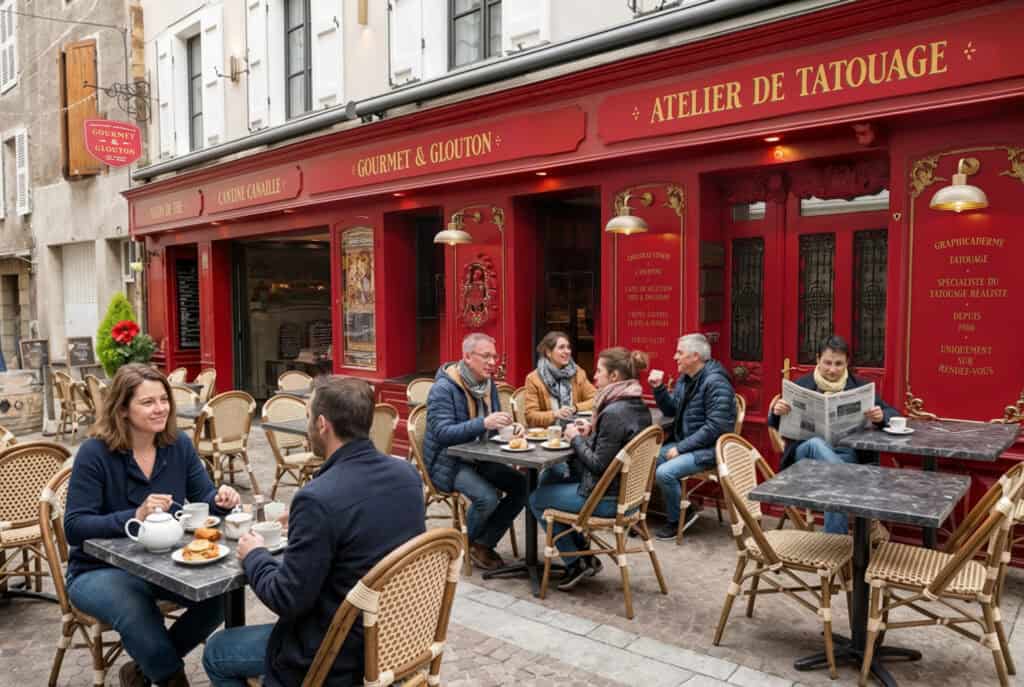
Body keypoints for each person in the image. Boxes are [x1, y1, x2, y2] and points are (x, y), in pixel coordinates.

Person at [202, 377, 425, 686]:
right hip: (396, 638)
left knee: (216, 651)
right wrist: (306, 523)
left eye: (308, 417)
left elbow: (286, 598)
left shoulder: (318, 498)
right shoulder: (407, 475)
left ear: (322, 425)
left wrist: (254, 555)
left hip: (336, 653)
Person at [64, 363, 241, 687]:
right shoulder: (95, 453)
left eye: (164, 399)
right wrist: (135, 515)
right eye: (147, 402)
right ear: (122, 409)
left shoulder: (177, 445)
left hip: (164, 564)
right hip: (96, 570)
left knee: (220, 596)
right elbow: (74, 527)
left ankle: (142, 671)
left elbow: (204, 497)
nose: (160, 408)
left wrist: (222, 500)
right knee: (135, 607)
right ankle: (172, 678)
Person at [528, 347, 653, 590]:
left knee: (536, 498)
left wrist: (575, 437)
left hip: (606, 499)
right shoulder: (637, 405)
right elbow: (615, 445)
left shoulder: (613, 412)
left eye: (599, 371)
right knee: (551, 475)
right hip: (629, 498)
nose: (595, 376)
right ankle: (582, 555)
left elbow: (598, 464)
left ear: (614, 376)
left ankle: (575, 561)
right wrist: (592, 432)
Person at [768, 334, 897, 534]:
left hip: (846, 456)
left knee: (834, 483)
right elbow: (776, 425)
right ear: (818, 359)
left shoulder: (859, 387)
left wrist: (881, 417)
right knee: (816, 443)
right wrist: (777, 412)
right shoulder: (801, 385)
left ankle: (835, 545)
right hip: (806, 457)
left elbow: (893, 414)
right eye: (827, 363)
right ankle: (850, 481)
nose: (833, 369)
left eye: (839, 364)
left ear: (847, 363)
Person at [423, 332, 528, 571]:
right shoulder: (443, 388)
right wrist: (484, 423)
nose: (492, 362)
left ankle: (483, 543)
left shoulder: (487, 385)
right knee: (487, 498)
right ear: (468, 357)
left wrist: (512, 429)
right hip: (448, 461)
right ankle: (458, 548)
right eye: (486, 356)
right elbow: (442, 433)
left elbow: (493, 427)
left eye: (494, 356)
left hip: (480, 456)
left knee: (523, 486)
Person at [651, 333, 736, 541]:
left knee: (664, 473)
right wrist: (659, 388)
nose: (675, 357)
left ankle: (678, 518)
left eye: (679, 353)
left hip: (710, 449)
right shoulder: (686, 379)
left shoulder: (716, 382)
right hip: (689, 444)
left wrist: (681, 448)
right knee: (647, 460)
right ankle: (678, 509)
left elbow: (716, 427)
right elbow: (672, 410)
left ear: (695, 356)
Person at [523, 330, 597, 428]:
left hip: (575, 430)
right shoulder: (533, 379)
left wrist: (575, 408)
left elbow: (596, 399)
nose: (567, 351)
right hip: (547, 434)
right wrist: (555, 414)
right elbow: (530, 416)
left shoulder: (577, 373)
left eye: (568, 347)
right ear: (548, 352)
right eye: (561, 347)